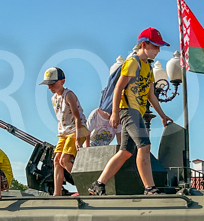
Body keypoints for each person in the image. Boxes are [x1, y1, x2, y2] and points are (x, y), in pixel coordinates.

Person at [88, 28, 174, 196]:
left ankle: (98, 184)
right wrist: (114, 113)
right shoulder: (132, 62)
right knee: (145, 145)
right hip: (128, 110)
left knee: (126, 151)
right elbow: (118, 88)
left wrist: (163, 115)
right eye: (156, 46)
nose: (158, 50)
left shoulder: (147, 67)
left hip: (138, 112)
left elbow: (151, 95)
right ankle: (149, 188)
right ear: (144, 44)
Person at [41, 66, 88, 195]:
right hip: (65, 132)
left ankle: (86, 186)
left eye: (52, 83)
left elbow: (77, 118)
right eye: (48, 84)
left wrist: (78, 139)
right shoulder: (54, 99)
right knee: (56, 160)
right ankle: (57, 193)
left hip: (78, 129)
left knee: (65, 160)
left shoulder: (69, 95)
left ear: (62, 81)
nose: (50, 87)